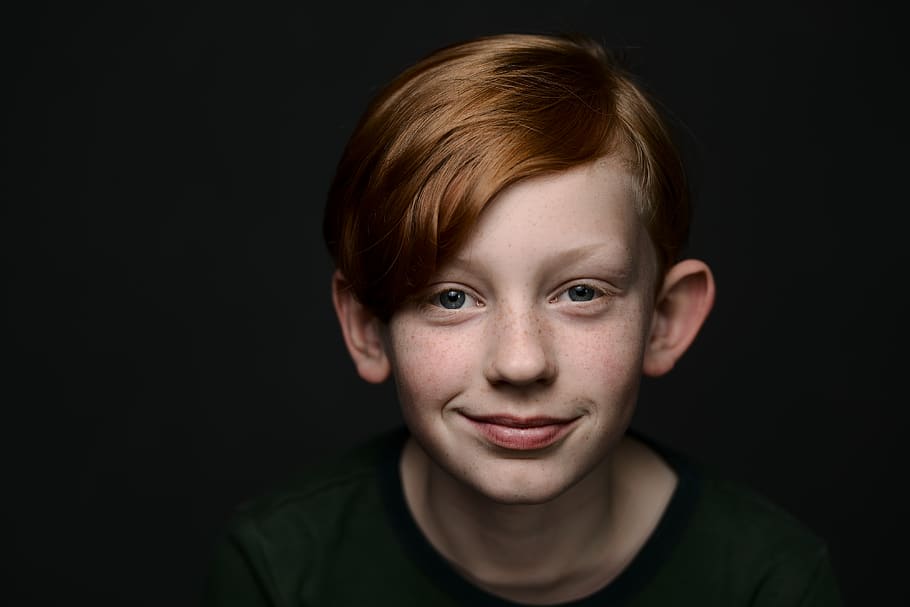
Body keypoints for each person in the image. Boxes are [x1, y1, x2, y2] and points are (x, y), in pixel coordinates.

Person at [201, 32, 843, 606]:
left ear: (664, 319)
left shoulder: (769, 582)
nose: (521, 362)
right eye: (451, 298)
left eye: (581, 293)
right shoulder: (280, 571)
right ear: (369, 328)